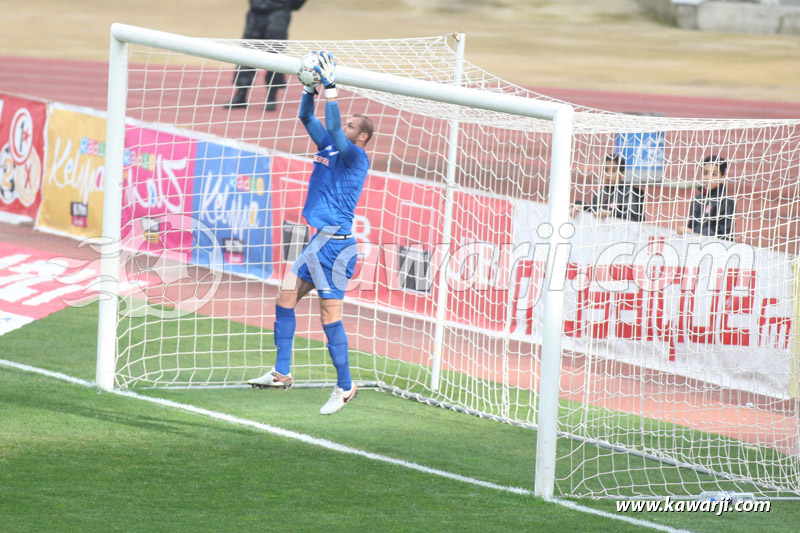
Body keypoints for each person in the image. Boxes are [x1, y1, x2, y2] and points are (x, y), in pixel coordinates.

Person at [248, 52, 374, 415]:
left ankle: (346, 386)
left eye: (352, 126)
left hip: (336, 247)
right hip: (317, 240)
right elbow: (306, 116)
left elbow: (334, 129)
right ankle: (282, 372)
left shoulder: (355, 157)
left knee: (329, 318)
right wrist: (309, 89)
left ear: (361, 137)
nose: (345, 128)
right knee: (285, 296)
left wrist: (331, 89)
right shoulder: (329, 147)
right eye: (346, 124)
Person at [223, 0, 307, 111]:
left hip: (279, 12)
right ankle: (241, 94)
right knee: (247, 54)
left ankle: (272, 97)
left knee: (275, 55)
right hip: (256, 12)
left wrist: (288, 6)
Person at [573, 153, 645, 222]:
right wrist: (581, 207)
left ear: (622, 174)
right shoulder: (601, 192)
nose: (608, 175)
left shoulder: (630, 192)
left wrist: (610, 214)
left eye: (613, 171)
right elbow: (593, 211)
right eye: (606, 170)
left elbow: (634, 217)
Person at [677, 155, 735, 239]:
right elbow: (692, 225)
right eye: (705, 173)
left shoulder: (726, 201)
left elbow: (724, 234)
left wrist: (693, 233)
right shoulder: (697, 199)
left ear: (722, 177)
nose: (708, 177)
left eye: (714, 174)